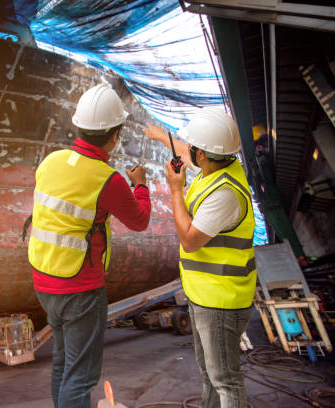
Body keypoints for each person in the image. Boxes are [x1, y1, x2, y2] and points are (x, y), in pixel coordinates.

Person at [26, 83, 151, 408]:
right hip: (80, 290)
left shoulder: (50, 162)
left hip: (44, 282)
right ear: (114, 137)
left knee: (63, 364)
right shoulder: (108, 179)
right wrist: (140, 186)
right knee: (80, 377)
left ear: (79, 126)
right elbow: (140, 221)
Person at [144, 108, 256, 408]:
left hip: (220, 300)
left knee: (225, 380)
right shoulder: (220, 167)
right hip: (204, 294)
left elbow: (191, 241)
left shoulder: (224, 194)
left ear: (203, 155)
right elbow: (187, 152)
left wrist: (175, 189)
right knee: (209, 374)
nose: (189, 151)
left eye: (193, 148)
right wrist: (158, 135)